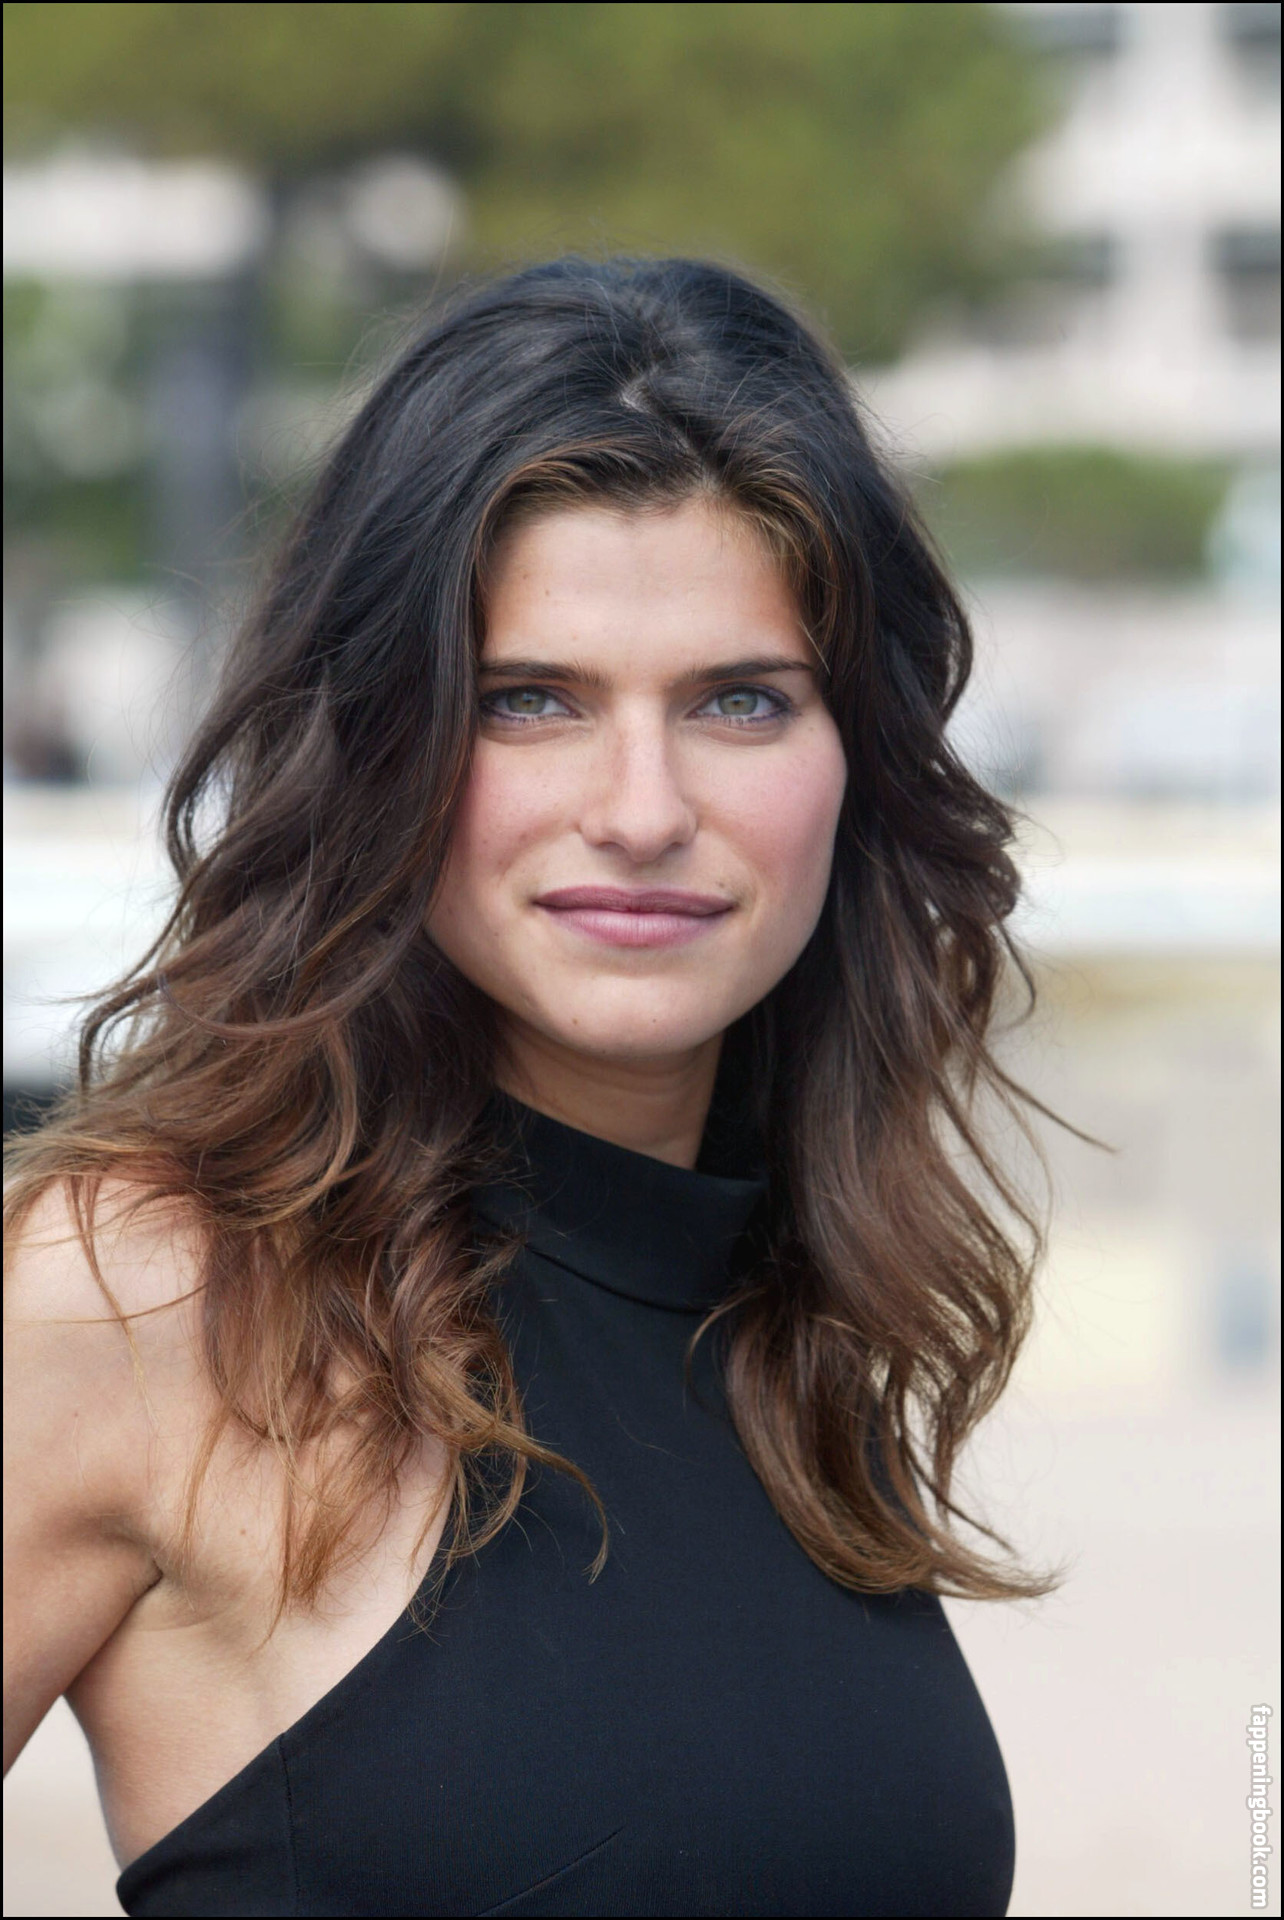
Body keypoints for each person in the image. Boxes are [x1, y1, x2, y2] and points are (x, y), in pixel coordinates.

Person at [5, 256, 1053, 1918]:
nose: (642, 810)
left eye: (741, 701)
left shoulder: (790, 1329)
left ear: (856, 757)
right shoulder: (144, 1296)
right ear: (381, 740)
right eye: (529, 702)